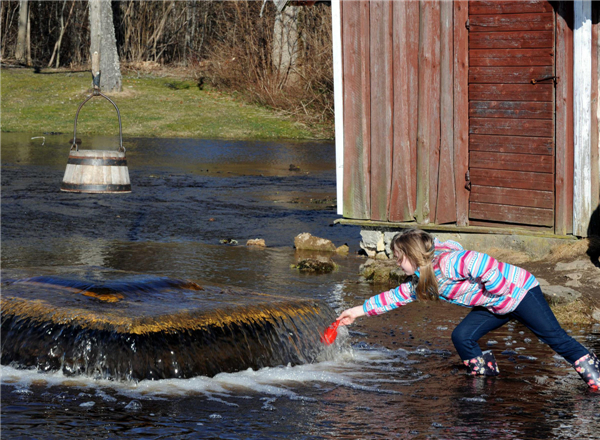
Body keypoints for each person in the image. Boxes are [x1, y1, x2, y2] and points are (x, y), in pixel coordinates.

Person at [337, 228, 599, 389]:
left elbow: (484, 264)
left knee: (553, 338)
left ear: (413, 255)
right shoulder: (421, 279)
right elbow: (394, 298)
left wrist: (498, 294)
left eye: (398, 258)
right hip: (494, 305)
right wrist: (357, 311)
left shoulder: (450, 262)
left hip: (519, 293)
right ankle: (486, 380)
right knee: (462, 336)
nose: (396, 264)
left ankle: (595, 377)